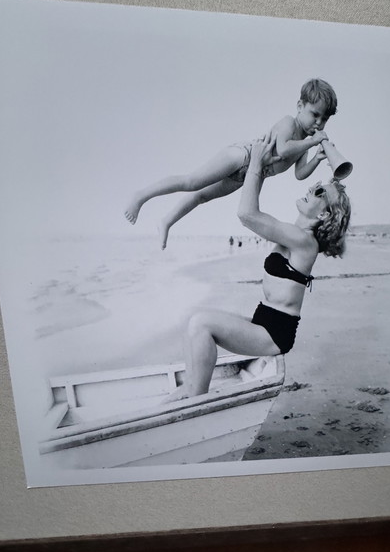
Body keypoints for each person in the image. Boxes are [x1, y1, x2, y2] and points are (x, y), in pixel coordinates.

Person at [177, 137, 351, 398]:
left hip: (274, 334)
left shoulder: (305, 242)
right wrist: (261, 168)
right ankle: (190, 389)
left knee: (201, 325)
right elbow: (254, 212)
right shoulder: (295, 232)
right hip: (264, 321)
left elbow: (247, 215)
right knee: (194, 322)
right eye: (317, 184)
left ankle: (195, 400)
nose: (312, 186)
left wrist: (256, 163)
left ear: (324, 214)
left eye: (319, 191)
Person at [124, 78, 337, 248]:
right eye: (315, 115)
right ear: (300, 106)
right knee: (191, 182)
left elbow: (299, 174)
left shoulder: (304, 143)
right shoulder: (289, 123)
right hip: (243, 156)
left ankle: (167, 221)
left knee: (202, 196)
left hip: (252, 173)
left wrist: (317, 158)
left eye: (324, 119)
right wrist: (311, 143)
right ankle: (141, 196)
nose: (318, 123)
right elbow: (283, 149)